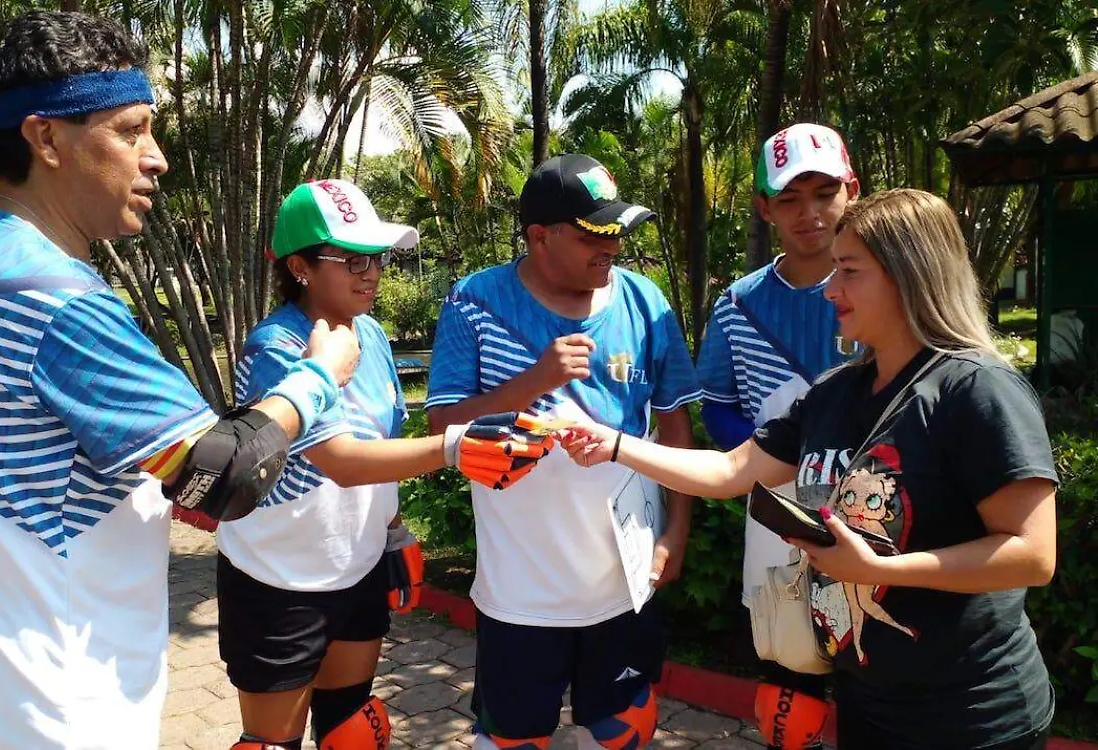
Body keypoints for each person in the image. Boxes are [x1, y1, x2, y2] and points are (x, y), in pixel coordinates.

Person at [0, 12, 363, 749]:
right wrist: (317, 377)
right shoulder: (48, 297)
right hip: (64, 694)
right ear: (45, 138)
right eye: (130, 129)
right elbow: (224, 478)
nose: (157, 159)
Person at [560, 189, 1058, 750]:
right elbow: (729, 472)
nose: (830, 289)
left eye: (848, 271)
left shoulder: (975, 390)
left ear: (908, 275)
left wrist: (881, 569)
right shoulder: (835, 392)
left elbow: (1032, 554)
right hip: (868, 700)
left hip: (974, 716)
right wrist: (615, 444)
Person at [219, 179, 554, 750]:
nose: (371, 273)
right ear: (300, 265)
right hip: (279, 577)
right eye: (350, 260)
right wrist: (455, 447)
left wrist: (394, 532)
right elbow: (341, 461)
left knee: (351, 726)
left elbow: (381, 436)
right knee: (271, 742)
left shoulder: (371, 334)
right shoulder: (276, 347)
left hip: (357, 564)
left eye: (376, 258)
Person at [425, 153, 702, 749]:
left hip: (624, 584)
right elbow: (440, 427)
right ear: (539, 237)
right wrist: (533, 382)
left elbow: (676, 425)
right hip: (520, 594)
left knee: (624, 729)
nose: (612, 249)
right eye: (592, 236)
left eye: (618, 234)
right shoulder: (475, 301)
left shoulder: (645, 302)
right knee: (514, 738)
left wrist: (674, 533)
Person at [694, 123, 860, 749]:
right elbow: (718, 406)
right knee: (788, 679)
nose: (808, 213)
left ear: (851, 190)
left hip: (874, 513)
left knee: (874, 670)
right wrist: (785, 469)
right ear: (764, 207)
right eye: (789, 198)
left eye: (823, 193)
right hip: (777, 511)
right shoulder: (738, 304)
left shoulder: (888, 287)